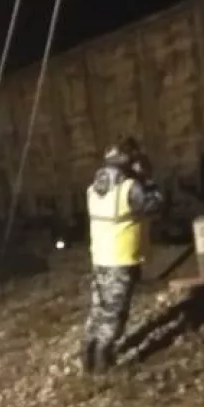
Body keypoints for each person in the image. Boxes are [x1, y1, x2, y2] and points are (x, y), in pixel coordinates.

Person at [84, 138, 165, 374]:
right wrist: (147, 179)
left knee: (98, 310)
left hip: (100, 258)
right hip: (121, 259)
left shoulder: (94, 188)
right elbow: (156, 205)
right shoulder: (130, 187)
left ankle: (87, 355)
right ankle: (103, 363)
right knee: (114, 314)